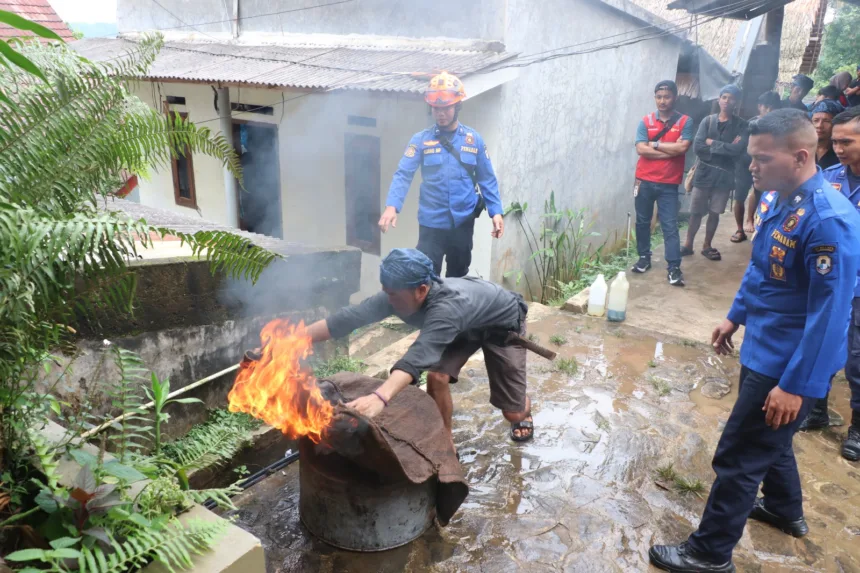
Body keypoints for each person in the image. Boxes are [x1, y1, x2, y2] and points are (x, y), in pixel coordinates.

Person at [649, 109, 860, 573]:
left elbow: (830, 316)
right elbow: (762, 270)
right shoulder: (776, 199)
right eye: (751, 157)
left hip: (787, 363)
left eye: (762, 158)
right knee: (772, 441)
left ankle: (709, 554)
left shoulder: (828, 221)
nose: (752, 167)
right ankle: (786, 510)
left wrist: (796, 386)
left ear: (800, 156)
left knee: (740, 456)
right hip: (764, 343)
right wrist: (735, 316)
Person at [304, 248, 534, 445]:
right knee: (437, 377)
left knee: (514, 413)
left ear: (422, 290)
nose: (388, 300)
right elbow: (349, 318)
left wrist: (379, 398)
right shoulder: (395, 295)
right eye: (386, 292)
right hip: (463, 326)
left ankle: (523, 406)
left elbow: (419, 354)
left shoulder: (446, 309)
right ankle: (444, 438)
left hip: (501, 326)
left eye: (393, 294)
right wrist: (294, 338)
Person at [380, 72, 504, 278]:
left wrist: (496, 212)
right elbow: (403, 174)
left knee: (458, 275)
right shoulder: (420, 140)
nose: (441, 114)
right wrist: (392, 207)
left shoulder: (474, 141)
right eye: (436, 109)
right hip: (431, 224)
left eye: (446, 108)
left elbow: (486, 178)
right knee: (427, 275)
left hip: (463, 222)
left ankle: (454, 311)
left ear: (457, 106)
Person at [800, 107, 860, 461]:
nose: (838, 147)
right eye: (834, 141)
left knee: (858, 358)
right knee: (820, 342)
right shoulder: (830, 178)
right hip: (829, 282)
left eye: (846, 141)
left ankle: (858, 429)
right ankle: (816, 409)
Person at [631, 80, 693, 286]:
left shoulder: (685, 121)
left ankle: (674, 268)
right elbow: (641, 149)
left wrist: (655, 145)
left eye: (666, 97)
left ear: (674, 97)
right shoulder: (645, 121)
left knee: (669, 226)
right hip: (644, 180)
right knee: (642, 221)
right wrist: (669, 151)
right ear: (655, 98)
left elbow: (682, 148)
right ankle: (643, 258)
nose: (662, 101)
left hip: (668, 184)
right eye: (659, 97)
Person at [684, 85, 748, 257]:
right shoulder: (708, 121)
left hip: (724, 177)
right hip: (704, 174)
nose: (727, 101)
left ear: (736, 102)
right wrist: (726, 147)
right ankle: (688, 245)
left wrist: (711, 143)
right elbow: (698, 147)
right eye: (724, 97)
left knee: (714, 212)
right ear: (719, 99)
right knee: (696, 212)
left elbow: (738, 150)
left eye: (731, 98)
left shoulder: (742, 125)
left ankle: (707, 246)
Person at [740, 91, 781, 235]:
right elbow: (742, 145)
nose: (769, 111)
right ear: (760, 106)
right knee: (755, 191)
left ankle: (765, 219)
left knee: (770, 191)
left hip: (770, 162)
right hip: (750, 161)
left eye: (772, 107)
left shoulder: (780, 125)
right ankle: (749, 219)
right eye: (766, 107)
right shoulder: (751, 123)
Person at [810, 99, 842, 170]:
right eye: (816, 120)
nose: (819, 125)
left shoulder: (841, 152)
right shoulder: (804, 148)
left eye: (826, 121)